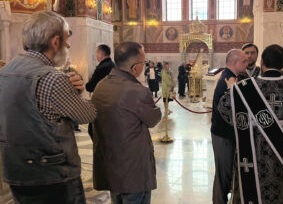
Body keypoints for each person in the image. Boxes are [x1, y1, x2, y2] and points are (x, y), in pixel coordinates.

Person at [0, 10, 96, 204]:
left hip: (16, 171)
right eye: (66, 39)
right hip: (53, 176)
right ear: (55, 42)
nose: (68, 45)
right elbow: (87, 114)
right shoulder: (53, 79)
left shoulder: (5, 72)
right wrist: (79, 91)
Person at [218, 45, 283, 204]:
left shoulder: (243, 88)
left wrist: (231, 89)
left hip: (252, 159)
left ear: (262, 61)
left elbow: (224, 108)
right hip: (281, 159)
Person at [91, 42, 162, 204]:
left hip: (110, 166)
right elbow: (153, 119)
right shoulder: (137, 91)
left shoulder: (101, 85)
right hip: (133, 171)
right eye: (143, 63)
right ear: (135, 67)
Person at [211, 49, 248, 204]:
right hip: (223, 135)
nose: (247, 63)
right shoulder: (228, 80)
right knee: (223, 175)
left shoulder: (231, 77)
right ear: (235, 62)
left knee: (226, 174)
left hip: (226, 135)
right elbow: (227, 112)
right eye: (244, 61)